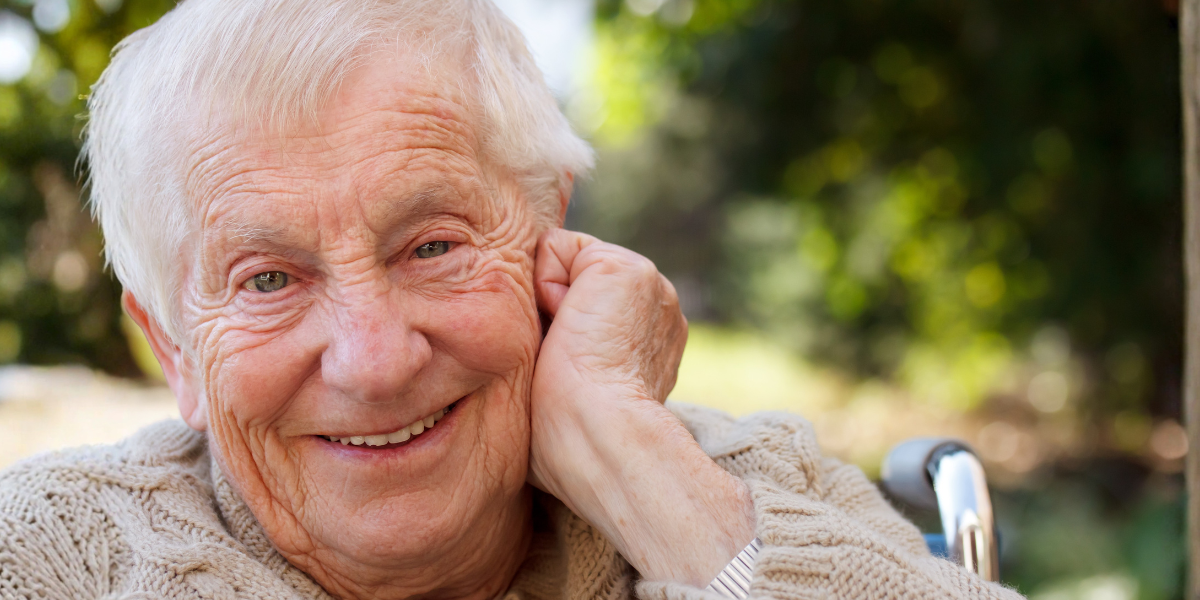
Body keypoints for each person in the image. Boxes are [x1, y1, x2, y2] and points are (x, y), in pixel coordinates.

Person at [0, 1, 1022, 599]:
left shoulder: (750, 491)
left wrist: (635, 465)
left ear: (550, 239)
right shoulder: (46, 555)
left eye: (432, 246)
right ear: (174, 349)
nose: (374, 360)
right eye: (268, 279)